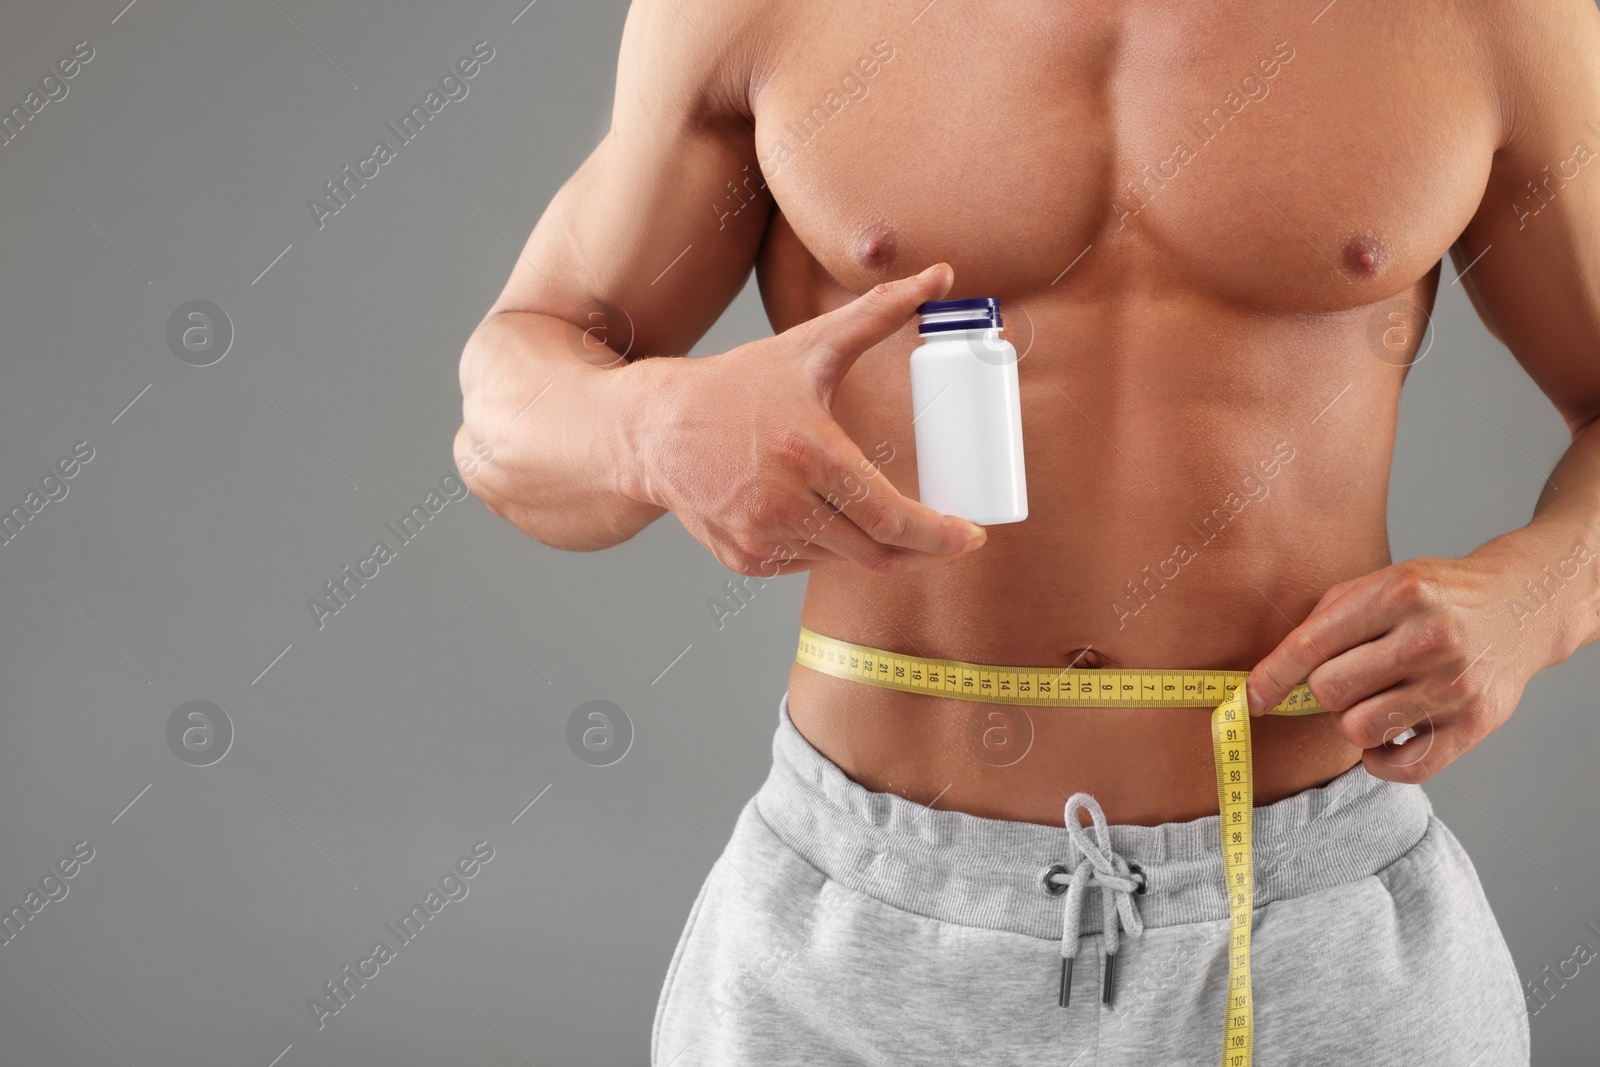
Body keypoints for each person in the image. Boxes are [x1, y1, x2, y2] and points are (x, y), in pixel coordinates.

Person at [454, 0, 1600, 1061]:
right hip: (854, 934)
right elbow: (509, 404)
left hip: (1312, 915)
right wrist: (646, 429)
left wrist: (1537, 593)